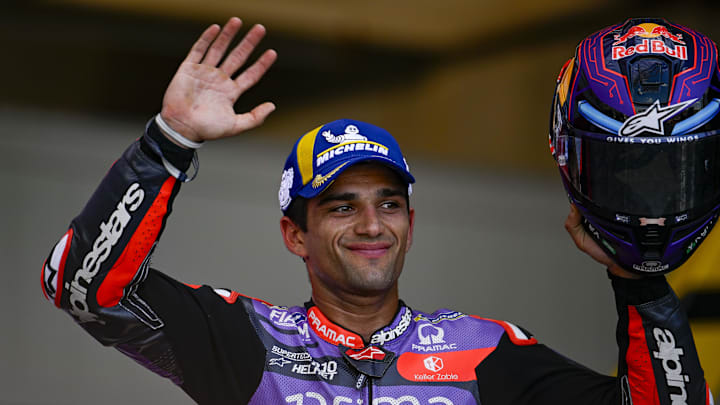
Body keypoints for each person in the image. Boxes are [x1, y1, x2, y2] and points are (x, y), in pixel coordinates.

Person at [42, 17, 712, 404]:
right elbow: (81, 287)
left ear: (411, 225)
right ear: (293, 234)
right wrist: (170, 139)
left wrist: (639, 280)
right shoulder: (247, 338)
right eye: (340, 206)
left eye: (388, 202)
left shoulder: (486, 352)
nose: (370, 225)